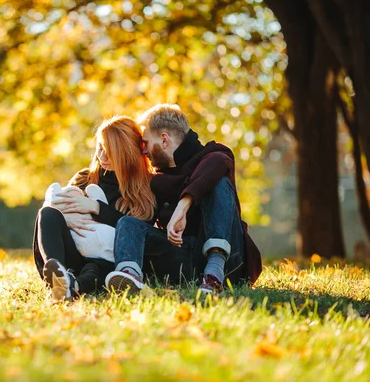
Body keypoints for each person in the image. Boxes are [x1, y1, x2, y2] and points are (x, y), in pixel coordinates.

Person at [105, 104, 262, 295]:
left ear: (164, 140)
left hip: (231, 264)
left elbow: (218, 162)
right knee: (129, 224)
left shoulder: (213, 155)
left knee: (218, 182)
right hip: (187, 262)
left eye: (145, 143)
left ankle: (214, 269)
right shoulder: (157, 182)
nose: (143, 151)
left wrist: (183, 205)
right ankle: (129, 276)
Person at [33, 115, 156, 301]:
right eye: (99, 148)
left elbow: (139, 229)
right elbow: (55, 207)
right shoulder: (85, 178)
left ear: (128, 152)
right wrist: (65, 219)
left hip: (107, 263)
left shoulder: (146, 187)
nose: (102, 157)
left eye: (110, 152)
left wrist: (96, 208)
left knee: (100, 266)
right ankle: (57, 273)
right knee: (47, 213)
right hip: (71, 256)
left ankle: (72, 287)